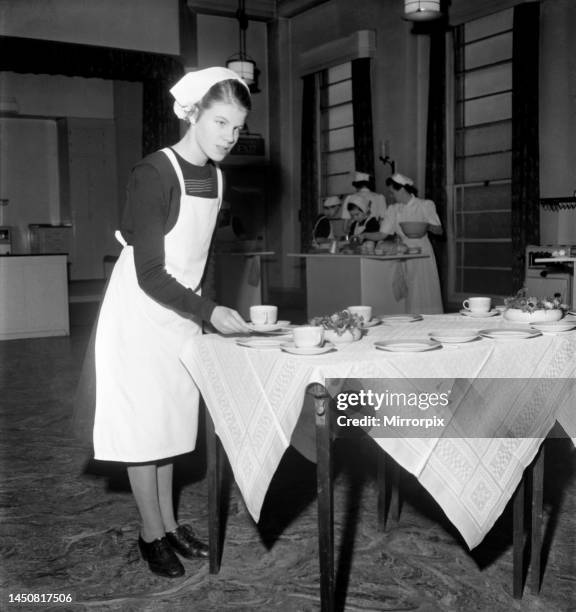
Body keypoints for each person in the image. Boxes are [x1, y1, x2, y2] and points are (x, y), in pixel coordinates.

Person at [92, 67, 253, 579]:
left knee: (170, 425)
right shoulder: (154, 172)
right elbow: (148, 273)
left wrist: (202, 312)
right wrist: (207, 311)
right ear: (193, 113)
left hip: (180, 310)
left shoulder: (218, 176)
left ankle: (168, 524)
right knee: (145, 430)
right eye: (221, 122)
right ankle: (150, 533)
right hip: (141, 312)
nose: (230, 136)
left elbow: (197, 258)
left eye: (237, 127)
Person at [363, 172, 443, 313]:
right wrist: (363, 234)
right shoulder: (393, 209)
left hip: (423, 251)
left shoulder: (425, 205)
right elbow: (382, 234)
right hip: (404, 251)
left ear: (402, 189)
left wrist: (423, 225)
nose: (391, 196)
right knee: (409, 291)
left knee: (423, 288)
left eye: (392, 192)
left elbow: (439, 230)